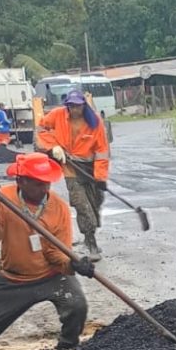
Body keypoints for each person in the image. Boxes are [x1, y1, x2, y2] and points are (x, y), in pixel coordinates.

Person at [0, 152, 93, 350]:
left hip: (51, 275)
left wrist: (73, 264)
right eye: (38, 183)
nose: (44, 188)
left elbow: (55, 252)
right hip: (14, 278)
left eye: (47, 183)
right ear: (21, 181)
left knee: (77, 304)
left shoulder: (58, 208)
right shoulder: (3, 199)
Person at [35, 89, 110, 261]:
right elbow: (40, 128)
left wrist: (100, 177)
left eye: (78, 106)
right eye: (71, 106)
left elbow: (102, 151)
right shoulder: (58, 115)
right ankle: (91, 242)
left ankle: (90, 232)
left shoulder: (95, 121)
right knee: (82, 205)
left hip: (90, 168)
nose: (74, 109)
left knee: (96, 203)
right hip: (71, 168)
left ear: (84, 105)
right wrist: (53, 146)